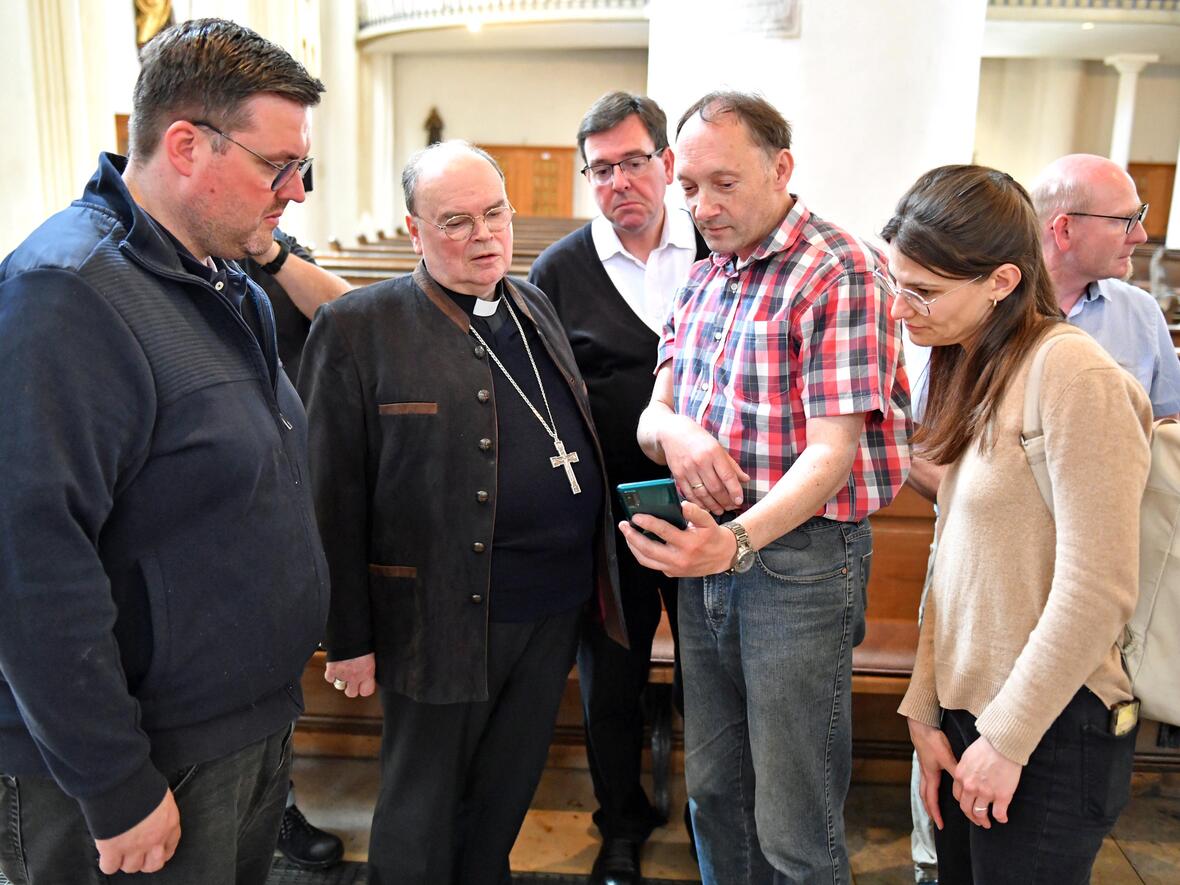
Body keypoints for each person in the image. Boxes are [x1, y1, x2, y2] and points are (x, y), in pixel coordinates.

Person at [0, 18, 329, 882]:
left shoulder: (224, 280)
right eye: (277, 165)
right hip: (146, 756)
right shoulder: (65, 295)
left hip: (241, 726)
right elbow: (30, 562)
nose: (295, 191)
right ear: (185, 144)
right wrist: (114, 784)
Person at [298, 140, 627, 885]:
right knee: (421, 810)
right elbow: (332, 496)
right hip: (439, 616)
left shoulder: (533, 301)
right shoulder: (359, 326)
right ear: (414, 230)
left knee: (505, 794)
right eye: (455, 222)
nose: (484, 236)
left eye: (494, 214)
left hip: (551, 610)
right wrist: (346, 638)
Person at [621, 91, 911, 884]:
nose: (701, 206)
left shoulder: (839, 268)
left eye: (724, 183)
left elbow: (832, 457)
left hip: (800, 565)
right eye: (688, 187)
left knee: (793, 816)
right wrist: (679, 433)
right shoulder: (711, 272)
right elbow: (654, 413)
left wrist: (738, 540)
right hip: (707, 552)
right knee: (715, 793)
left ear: (781, 168)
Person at [888, 165, 1151, 884]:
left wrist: (1006, 738)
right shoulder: (978, 367)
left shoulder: (1073, 374)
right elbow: (959, 563)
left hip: (1051, 727)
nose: (901, 308)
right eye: (897, 282)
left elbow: (1097, 589)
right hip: (978, 715)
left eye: (924, 291)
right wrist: (927, 711)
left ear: (1002, 280)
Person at [528, 91, 708, 885]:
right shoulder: (559, 271)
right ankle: (621, 823)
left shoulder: (718, 247)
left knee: (716, 675)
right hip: (609, 518)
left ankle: (718, 817)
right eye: (601, 170)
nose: (619, 182)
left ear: (667, 165)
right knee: (612, 684)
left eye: (634, 163)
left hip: (718, 510)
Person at [240, 230, 351, 871]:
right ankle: (267, 802)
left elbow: (345, 313)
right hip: (222, 486)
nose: (293, 192)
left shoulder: (274, 246)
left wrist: (271, 255)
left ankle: (271, 802)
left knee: (275, 644)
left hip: (291, 474)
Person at [1031, 153, 1180, 419]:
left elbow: (1167, 424)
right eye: (1125, 221)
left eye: (1139, 217)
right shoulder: (990, 307)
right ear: (1064, 229)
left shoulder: (1141, 313)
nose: (1141, 236)